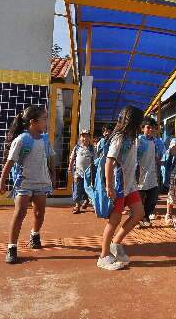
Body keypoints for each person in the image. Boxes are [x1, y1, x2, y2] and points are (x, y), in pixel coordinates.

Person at [0, 106, 56, 264]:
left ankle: (35, 234)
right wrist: (2, 183)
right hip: (24, 183)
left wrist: (53, 176)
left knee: (40, 213)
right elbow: (9, 163)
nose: (46, 122)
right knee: (19, 213)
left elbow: (50, 159)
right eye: (44, 119)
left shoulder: (45, 140)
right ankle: (11, 247)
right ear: (33, 122)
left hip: (42, 183)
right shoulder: (22, 140)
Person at [98, 106, 145, 270]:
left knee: (139, 213)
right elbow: (109, 162)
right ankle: (103, 255)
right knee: (114, 220)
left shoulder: (133, 138)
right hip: (119, 186)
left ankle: (116, 243)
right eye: (140, 121)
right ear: (133, 122)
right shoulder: (119, 137)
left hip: (129, 185)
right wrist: (109, 186)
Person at [136, 117, 162, 227]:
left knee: (152, 197)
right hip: (140, 174)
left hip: (153, 174)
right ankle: (139, 218)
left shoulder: (156, 142)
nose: (151, 130)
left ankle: (146, 216)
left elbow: (160, 156)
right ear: (143, 128)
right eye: (148, 127)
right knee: (140, 198)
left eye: (153, 128)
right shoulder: (139, 140)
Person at [68, 129, 94, 214]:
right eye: (83, 136)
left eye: (87, 136)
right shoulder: (77, 148)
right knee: (77, 189)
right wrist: (70, 167)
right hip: (78, 173)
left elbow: (95, 160)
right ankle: (77, 206)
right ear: (80, 137)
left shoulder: (92, 149)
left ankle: (86, 201)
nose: (85, 138)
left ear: (90, 138)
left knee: (88, 189)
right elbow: (72, 158)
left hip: (89, 174)